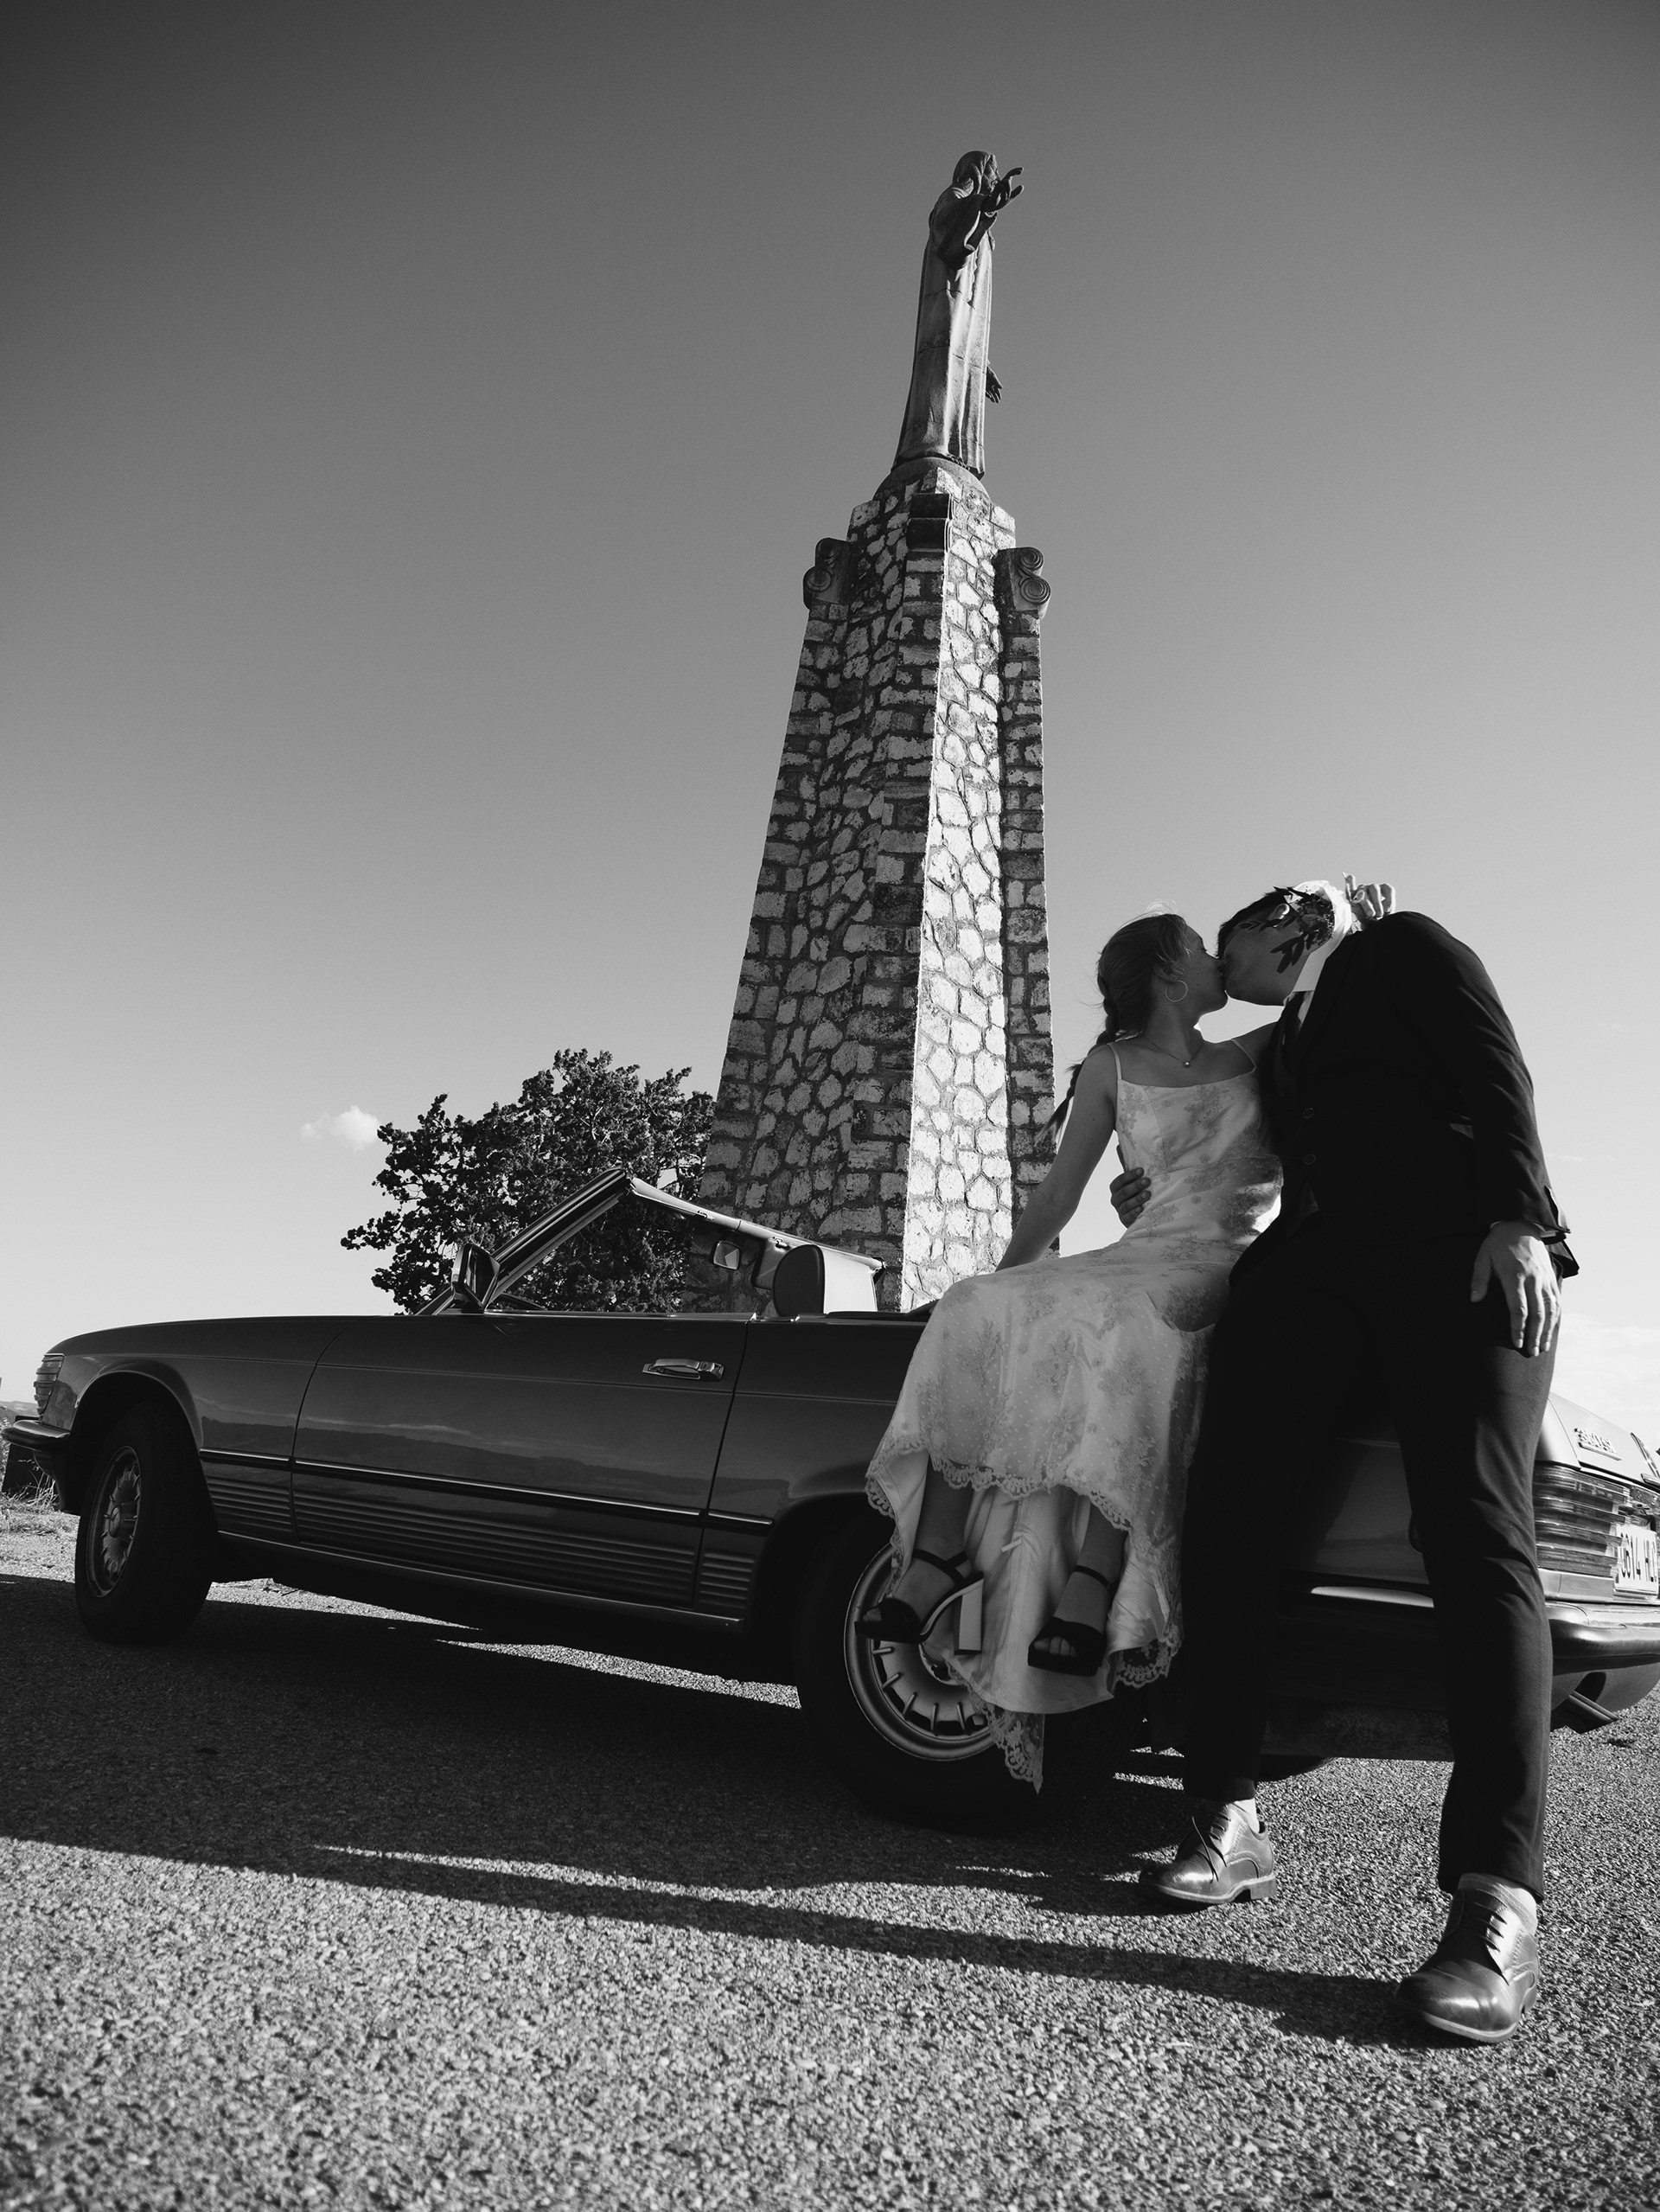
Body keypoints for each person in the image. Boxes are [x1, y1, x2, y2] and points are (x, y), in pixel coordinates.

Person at [1131, 886, 1574, 2047]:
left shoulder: (1400, 948)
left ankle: (1497, 1900)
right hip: (1314, 1277)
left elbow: (1495, 1064)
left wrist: (1519, 1218)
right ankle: (1225, 1813)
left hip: (1459, 1255)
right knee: (1228, 1512)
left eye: (1229, 942)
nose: (1222, 962)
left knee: (1477, 1532)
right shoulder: (1282, 1040)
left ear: (1279, 927)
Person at [859, 905, 1289, 1787]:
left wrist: (1349, 915)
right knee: (973, 1306)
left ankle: (1097, 1575)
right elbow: (1061, 1194)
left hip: (1223, 1260)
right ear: (1171, 975)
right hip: (1142, 1253)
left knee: (1129, 1322)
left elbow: (1320, 982)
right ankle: (937, 1554)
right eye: (1200, 947)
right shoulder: (1110, 1066)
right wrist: (1003, 1287)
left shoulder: (1259, 1051)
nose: (1217, 956)